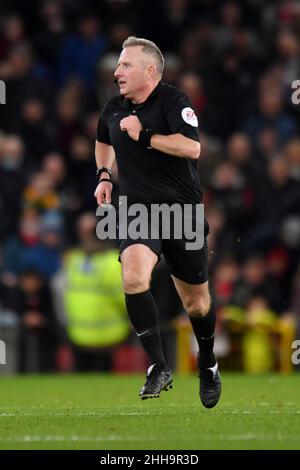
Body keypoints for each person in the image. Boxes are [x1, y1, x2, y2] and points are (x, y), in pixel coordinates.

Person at [94, 36, 221, 408]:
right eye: (118, 65)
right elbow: (104, 137)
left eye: (125, 65)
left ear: (150, 71)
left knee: (196, 303)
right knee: (133, 276)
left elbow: (192, 147)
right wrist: (104, 174)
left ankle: (209, 363)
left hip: (182, 213)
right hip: (137, 212)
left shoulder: (174, 101)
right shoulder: (114, 108)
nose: (117, 72)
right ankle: (158, 366)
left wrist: (145, 136)